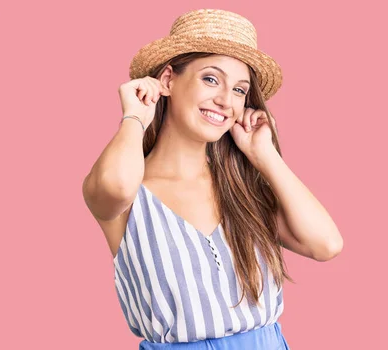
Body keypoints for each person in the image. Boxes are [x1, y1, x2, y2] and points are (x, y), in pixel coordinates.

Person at [82, 8, 343, 349]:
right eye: (210, 79)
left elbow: (326, 245)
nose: (225, 100)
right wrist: (135, 116)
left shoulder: (243, 190)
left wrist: (265, 156)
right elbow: (114, 185)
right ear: (168, 80)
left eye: (239, 90)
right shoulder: (130, 195)